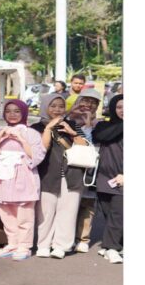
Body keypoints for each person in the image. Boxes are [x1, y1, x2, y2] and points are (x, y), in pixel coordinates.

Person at [32, 94, 89, 259]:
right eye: (53, 105)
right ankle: (43, 244)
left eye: (61, 106)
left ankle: (61, 245)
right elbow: (39, 150)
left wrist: (72, 133)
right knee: (45, 211)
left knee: (68, 211)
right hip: (47, 173)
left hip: (72, 174)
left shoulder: (72, 124)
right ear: (45, 106)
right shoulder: (36, 127)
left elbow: (85, 146)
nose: (57, 109)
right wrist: (49, 128)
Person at [0, 100, 46, 261]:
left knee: (24, 214)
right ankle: (12, 242)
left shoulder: (31, 133)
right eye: (8, 111)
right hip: (3, 177)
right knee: (6, 213)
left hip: (24, 177)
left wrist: (21, 139)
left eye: (16, 111)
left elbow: (36, 156)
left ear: (24, 113)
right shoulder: (0, 131)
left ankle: (24, 245)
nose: (12, 114)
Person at [68, 88, 103, 253]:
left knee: (87, 205)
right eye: (85, 100)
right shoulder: (69, 119)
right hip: (67, 167)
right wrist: (70, 114)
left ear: (97, 106)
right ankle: (67, 237)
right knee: (68, 204)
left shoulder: (100, 124)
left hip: (89, 169)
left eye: (93, 102)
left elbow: (90, 146)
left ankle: (83, 239)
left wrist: (88, 123)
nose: (88, 105)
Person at [93, 94, 123, 264]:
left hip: (124, 178)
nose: (123, 111)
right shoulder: (104, 126)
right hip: (104, 177)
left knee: (119, 214)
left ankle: (111, 247)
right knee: (109, 213)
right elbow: (102, 137)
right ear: (112, 108)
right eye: (119, 107)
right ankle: (115, 245)